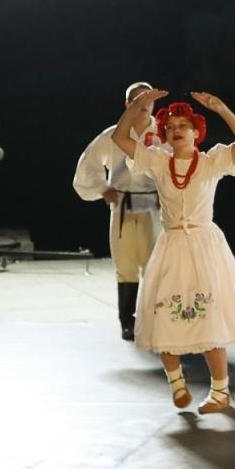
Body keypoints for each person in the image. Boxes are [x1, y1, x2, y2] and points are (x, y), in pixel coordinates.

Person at [112, 89, 235, 414]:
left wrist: (221, 107)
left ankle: (220, 392)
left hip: (205, 246)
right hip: (172, 245)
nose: (176, 130)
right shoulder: (159, 162)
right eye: (170, 126)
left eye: (183, 125)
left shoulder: (210, 162)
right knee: (165, 315)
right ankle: (177, 384)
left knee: (209, 319)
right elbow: (120, 138)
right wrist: (137, 106)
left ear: (196, 131)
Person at [72, 82, 162, 339]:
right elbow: (87, 164)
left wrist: (169, 194)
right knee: (125, 265)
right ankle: (127, 320)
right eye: (138, 99)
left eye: (149, 98)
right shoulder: (113, 135)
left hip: (154, 209)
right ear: (128, 104)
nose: (145, 104)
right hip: (123, 206)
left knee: (155, 265)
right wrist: (102, 188)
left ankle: (155, 319)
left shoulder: (162, 133)